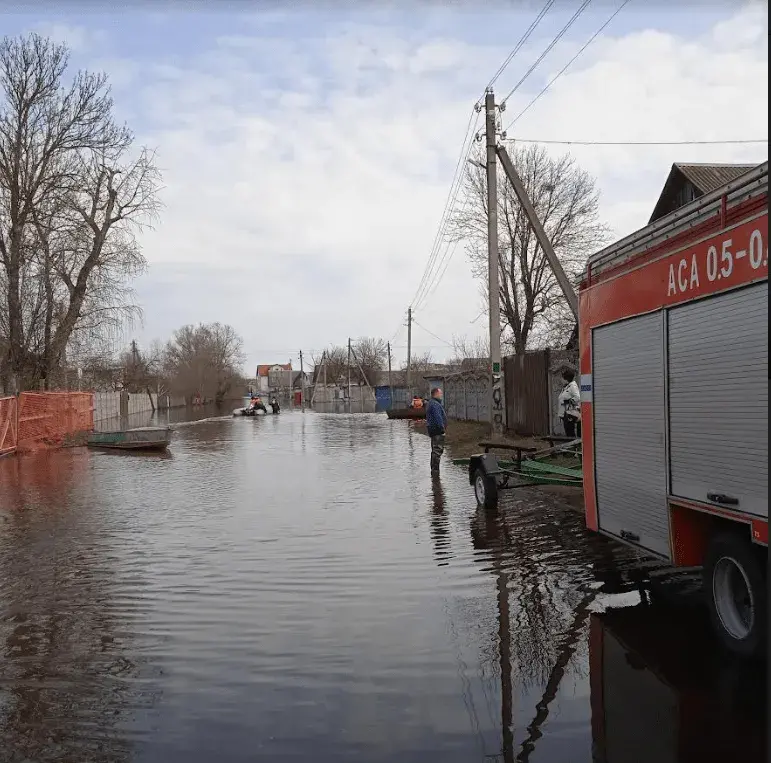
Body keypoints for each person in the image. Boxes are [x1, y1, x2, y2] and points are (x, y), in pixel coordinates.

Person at [425, 387, 447, 475]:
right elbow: (438, 418)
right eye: (440, 393)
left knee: (435, 450)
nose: (441, 395)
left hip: (434, 430)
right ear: (436, 394)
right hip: (437, 431)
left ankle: (434, 471)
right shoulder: (435, 404)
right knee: (437, 451)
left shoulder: (432, 403)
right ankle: (435, 472)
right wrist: (442, 429)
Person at [557, 368, 581, 438]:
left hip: (570, 414)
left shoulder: (572, 386)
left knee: (570, 433)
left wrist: (568, 402)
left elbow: (577, 397)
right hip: (566, 414)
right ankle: (573, 447)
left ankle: (573, 447)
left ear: (565, 378)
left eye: (562, 378)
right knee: (568, 432)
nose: (560, 380)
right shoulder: (567, 387)